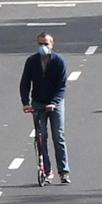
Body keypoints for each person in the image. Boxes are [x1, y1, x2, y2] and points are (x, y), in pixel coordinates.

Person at [20, 32, 70, 183]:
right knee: (41, 138)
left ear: (52, 45)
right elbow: (25, 83)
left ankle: (64, 172)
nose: (43, 47)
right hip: (38, 103)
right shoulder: (32, 61)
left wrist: (54, 103)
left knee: (58, 136)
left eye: (46, 44)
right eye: (41, 44)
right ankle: (47, 170)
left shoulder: (58, 61)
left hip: (55, 104)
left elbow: (62, 86)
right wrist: (25, 103)